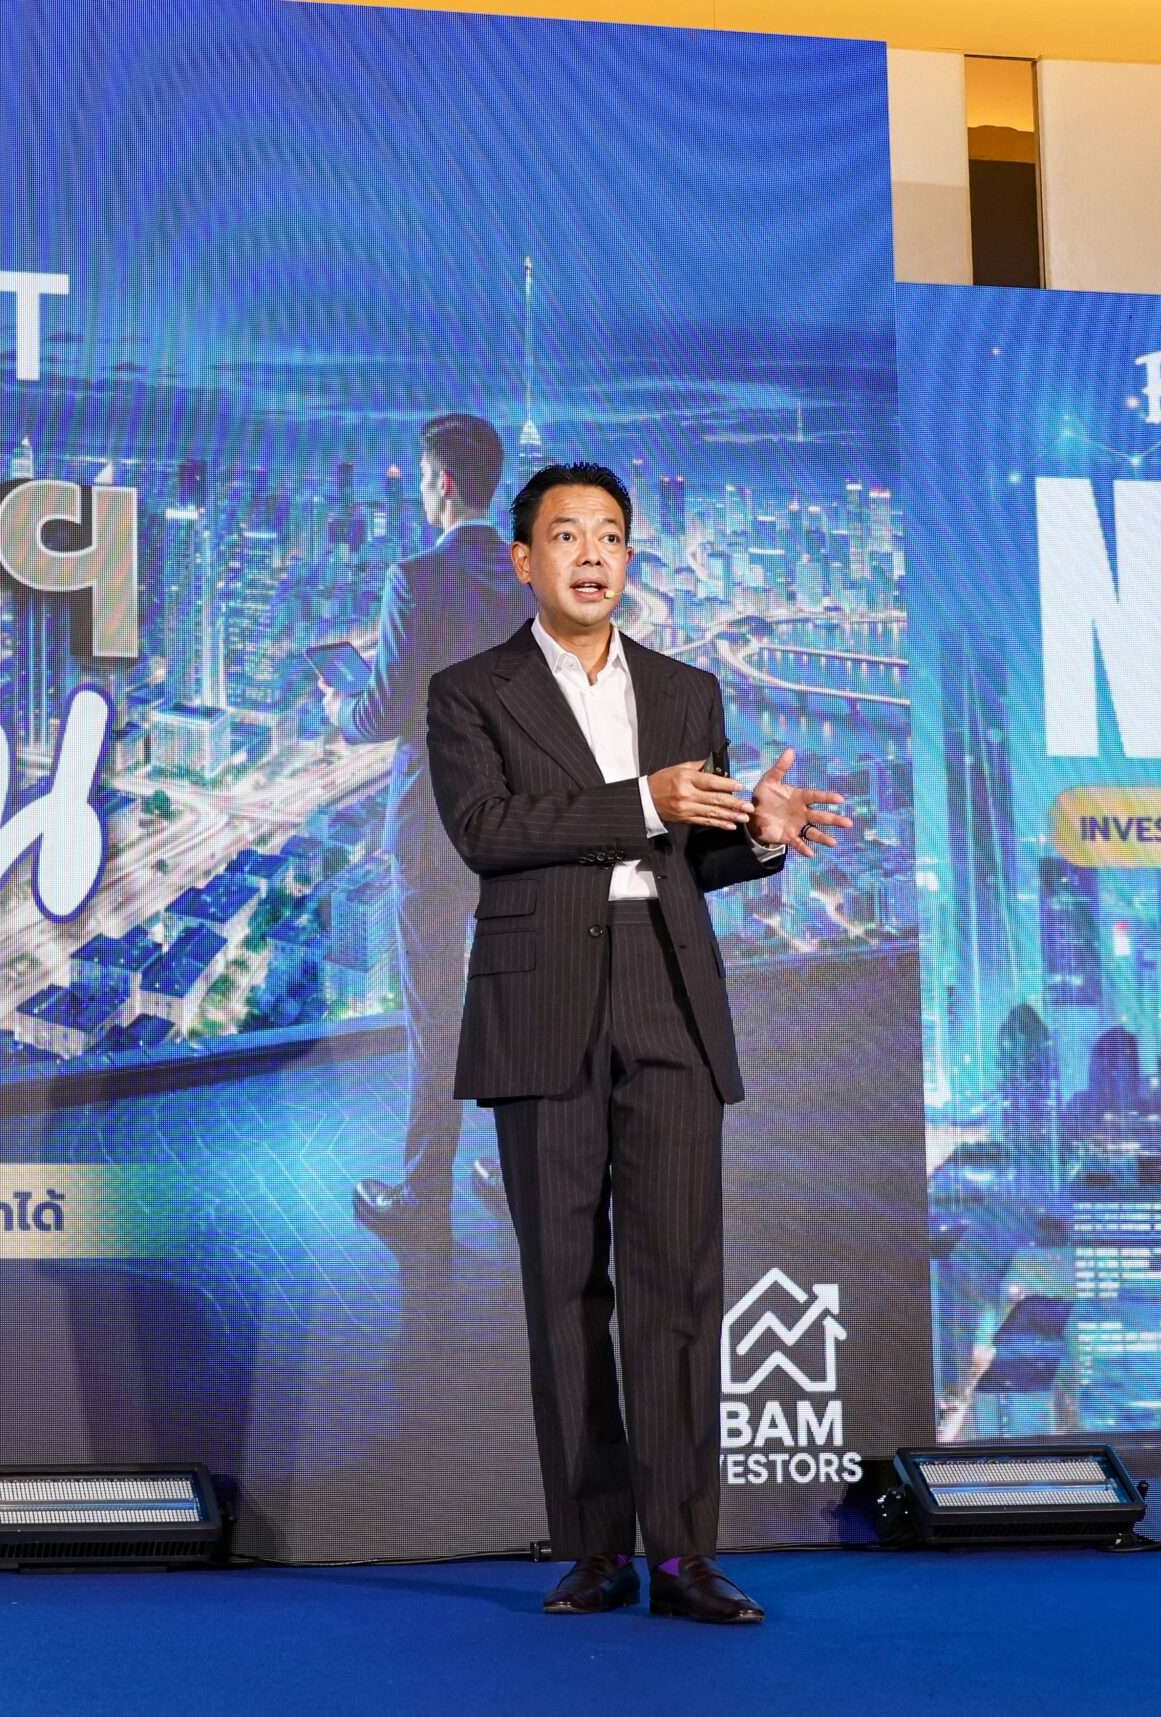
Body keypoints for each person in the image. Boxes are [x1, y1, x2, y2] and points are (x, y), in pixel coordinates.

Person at [424, 461, 848, 1623]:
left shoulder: (684, 689)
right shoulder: (469, 691)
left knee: (678, 1282)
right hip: (540, 1000)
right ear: (524, 560)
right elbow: (486, 830)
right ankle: (595, 1546)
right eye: (566, 536)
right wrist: (648, 800)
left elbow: (689, 858)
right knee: (565, 1286)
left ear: (629, 555)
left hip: (667, 990)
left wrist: (760, 834)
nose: (592, 555)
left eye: (609, 535)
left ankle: (683, 1552)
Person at [322, 414, 540, 1239]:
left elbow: (384, 712)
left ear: (443, 483)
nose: (420, 492)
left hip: (432, 834)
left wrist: (339, 707)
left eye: (421, 479)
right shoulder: (531, 576)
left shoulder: (414, 579)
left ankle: (424, 1197)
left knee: (436, 1016)